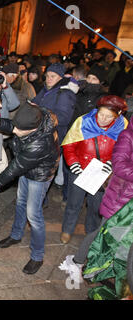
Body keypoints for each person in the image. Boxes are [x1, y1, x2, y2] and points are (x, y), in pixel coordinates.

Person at [59, 97, 132, 283]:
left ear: (118, 116)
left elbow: (122, 152)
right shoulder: (83, 121)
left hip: (102, 174)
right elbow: (69, 144)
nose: (103, 119)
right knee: (74, 203)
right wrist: (73, 163)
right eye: (101, 114)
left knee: (95, 206)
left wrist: (110, 165)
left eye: (109, 117)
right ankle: (67, 229)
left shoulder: (122, 125)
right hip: (81, 169)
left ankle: (91, 235)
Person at [0, 102, 60, 275]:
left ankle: (37, 256)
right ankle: (16, 235)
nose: (15, 133)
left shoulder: (40, 143)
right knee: (20, 203)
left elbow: (16, 166)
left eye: (20, 131)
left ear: (33, 129)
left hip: (40, 175)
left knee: (33, 215)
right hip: (28, 168)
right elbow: (15, 125)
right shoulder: (32, 116)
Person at [32, 63, 77, 191]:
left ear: (61, 78)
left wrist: (41, 113)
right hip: (40, 134)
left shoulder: (64, 94)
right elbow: (34, 103)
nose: (49, 79)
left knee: (42, 176)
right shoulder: (46, 89)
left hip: (53, 138)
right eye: (47, 76)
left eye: (53, 76)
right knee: (35, 172)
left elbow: (63, 118)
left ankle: (39, 202)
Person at [68, 64, 108, 129]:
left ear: (101, 82)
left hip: (87, 131)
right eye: (88, 77)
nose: (90, 81)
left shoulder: (102, 98)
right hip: (73, 129)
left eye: (94, 79)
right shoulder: (80, 92)